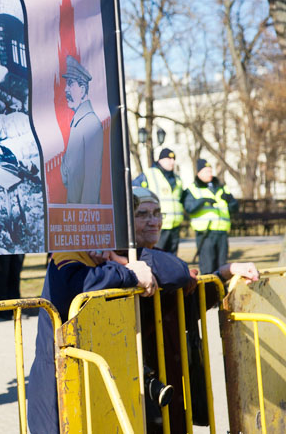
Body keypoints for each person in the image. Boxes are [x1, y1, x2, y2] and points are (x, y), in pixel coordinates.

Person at [27, 186, 258, 434]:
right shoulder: (75, 254)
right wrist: (126, 270)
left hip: (138, 393)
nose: (153, 221)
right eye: (141, 214)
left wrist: (223, 274)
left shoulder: (137, 259)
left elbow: (181, 293)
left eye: (157, 213)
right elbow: (76, 282)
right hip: (66, 387)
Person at [59, 55, 103, 204]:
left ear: (83, 89)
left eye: (70, 84)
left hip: (81, 215)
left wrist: (85, 215)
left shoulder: (90, 123)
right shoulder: (78, 122)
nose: (66, 89)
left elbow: (92, 178)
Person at [184, 158, 238, 275]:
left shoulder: (221, 187)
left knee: (222, 266)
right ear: (199, 173)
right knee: (208, 266)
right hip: (205, 234)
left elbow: (235, 208)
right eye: (206, 171)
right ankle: (208, 292)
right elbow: (189, 208)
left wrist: (231, 200)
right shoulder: (193, 189)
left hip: (222, 232)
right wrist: (202, 200)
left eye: (210, 170)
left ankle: (222, 291)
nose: (209, 174)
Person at [133, 147, 185, 253]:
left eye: (173, 159)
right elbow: (134, 193)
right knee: (156, 256)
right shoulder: (148, 175)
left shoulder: (178, 179)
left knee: (171, 259)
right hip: (156, 225)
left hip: (174, 226)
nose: (172, 162)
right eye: (168, 159)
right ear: (160, 160)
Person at [0, 254, 24, 320]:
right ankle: (2, 309)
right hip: (0, 247)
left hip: (18, 245)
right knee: (2, 273)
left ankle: (15, 309)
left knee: (15, 273)